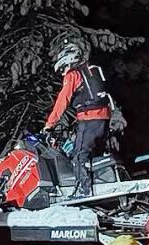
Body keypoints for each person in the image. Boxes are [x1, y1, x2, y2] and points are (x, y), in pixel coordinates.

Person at [42, 39, 112, 199]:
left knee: (79, 155)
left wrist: (50, 124)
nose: (63, 72)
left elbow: (63, 100)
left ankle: (83, 191)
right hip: (104, 117)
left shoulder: (74, 74)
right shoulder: (90, 70)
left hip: (89, 118)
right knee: (95, 155)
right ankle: (101, 186)